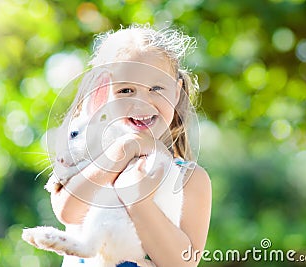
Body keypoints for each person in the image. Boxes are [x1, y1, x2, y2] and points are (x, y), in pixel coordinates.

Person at [51, 24, 211, 267]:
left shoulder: (190, 178)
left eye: (156, 89)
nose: (142, 103)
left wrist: (136, 197)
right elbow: (67, 212)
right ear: (102, 95)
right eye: (126, 90)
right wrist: (119, 154)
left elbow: (182, 263)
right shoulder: (82, 158)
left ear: (177, 93)